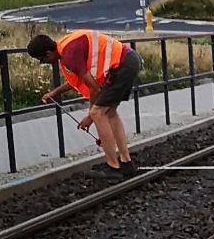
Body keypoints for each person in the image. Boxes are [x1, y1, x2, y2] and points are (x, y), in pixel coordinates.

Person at [29, 30, 138, 172]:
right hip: (128, 60)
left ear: (48, 53)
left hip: (122, 66)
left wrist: (90, 117)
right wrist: (56, 92)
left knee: (98, 112)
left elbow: (94, 88)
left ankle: (113, 166)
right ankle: (126, 163)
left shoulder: (69, 55)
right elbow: (80, 79)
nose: (43, 63)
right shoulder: (65, 46)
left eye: (42, 60)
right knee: (110, 112)